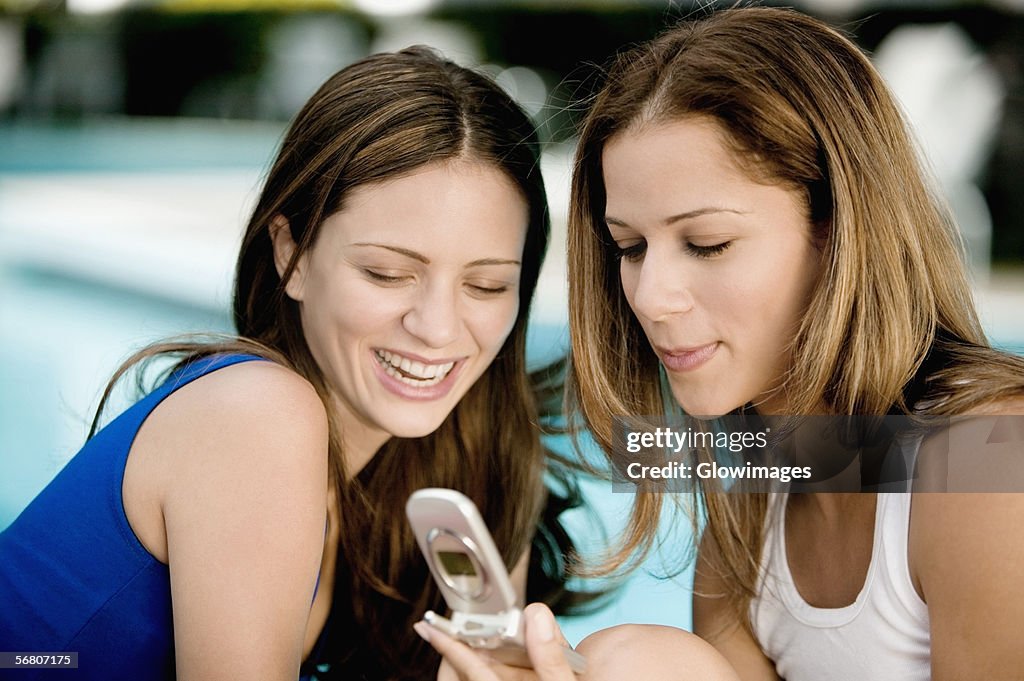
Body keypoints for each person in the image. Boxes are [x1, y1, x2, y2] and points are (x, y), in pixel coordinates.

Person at [423, 6, 1024, 680]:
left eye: (707, 243)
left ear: (837, 231)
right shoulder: (745, 513)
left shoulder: (990, 460)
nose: (650, 296)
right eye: (630, 247)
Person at [0, 46, 582, 681]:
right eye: (387, 273)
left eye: (487, 286)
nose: (437, 328)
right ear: (292, 254)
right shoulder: (254, 414)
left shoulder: (471, 478)